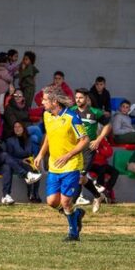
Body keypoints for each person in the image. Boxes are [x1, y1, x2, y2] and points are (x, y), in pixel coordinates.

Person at [33, 85, 90, 242]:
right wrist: (40, 154)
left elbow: (85, 140)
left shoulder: (72, 118)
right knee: (52, 202)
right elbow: (49, 137)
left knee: (65, 202)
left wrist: (68, 155)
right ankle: (76, 214)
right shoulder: (47, 116)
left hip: (71, 164)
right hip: (54, 165)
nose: (42, 102)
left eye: (44, 100)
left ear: (54, 101)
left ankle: (73, 233)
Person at [70, 88, 111, 213]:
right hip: (75, 148)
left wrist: (98, 140)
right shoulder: (71, 111)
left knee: (80, 177)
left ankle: (70, 205)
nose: (78, 100)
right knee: (81, 178)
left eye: (81, 97)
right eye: (76, 97)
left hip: (88, 149)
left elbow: (108, 125)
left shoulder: (95, 112)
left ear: (87, 99)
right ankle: (98, 196)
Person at [5, 120, 41, 203]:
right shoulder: (10, 141)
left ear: (23, 128)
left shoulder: (29, 139)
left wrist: (32, 160)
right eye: (15, 127)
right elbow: (9, 157)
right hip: (16, 162)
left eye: (19, 127)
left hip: (28, 161)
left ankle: (36, 193)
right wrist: (21, 160)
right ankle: (30, 194)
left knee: (36, 169)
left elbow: (30, 152)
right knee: (29, 169)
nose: (17, 129)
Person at [87, 141, 119, 205]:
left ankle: (107, 190)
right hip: (92, 164)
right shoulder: (89, 140)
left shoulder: (103, 141)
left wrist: (99, 150)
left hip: (103, 164)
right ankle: (100, 194)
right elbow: (89, 154)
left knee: (115, 172)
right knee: (101, 170)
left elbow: (109, 152)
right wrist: (100, 151)